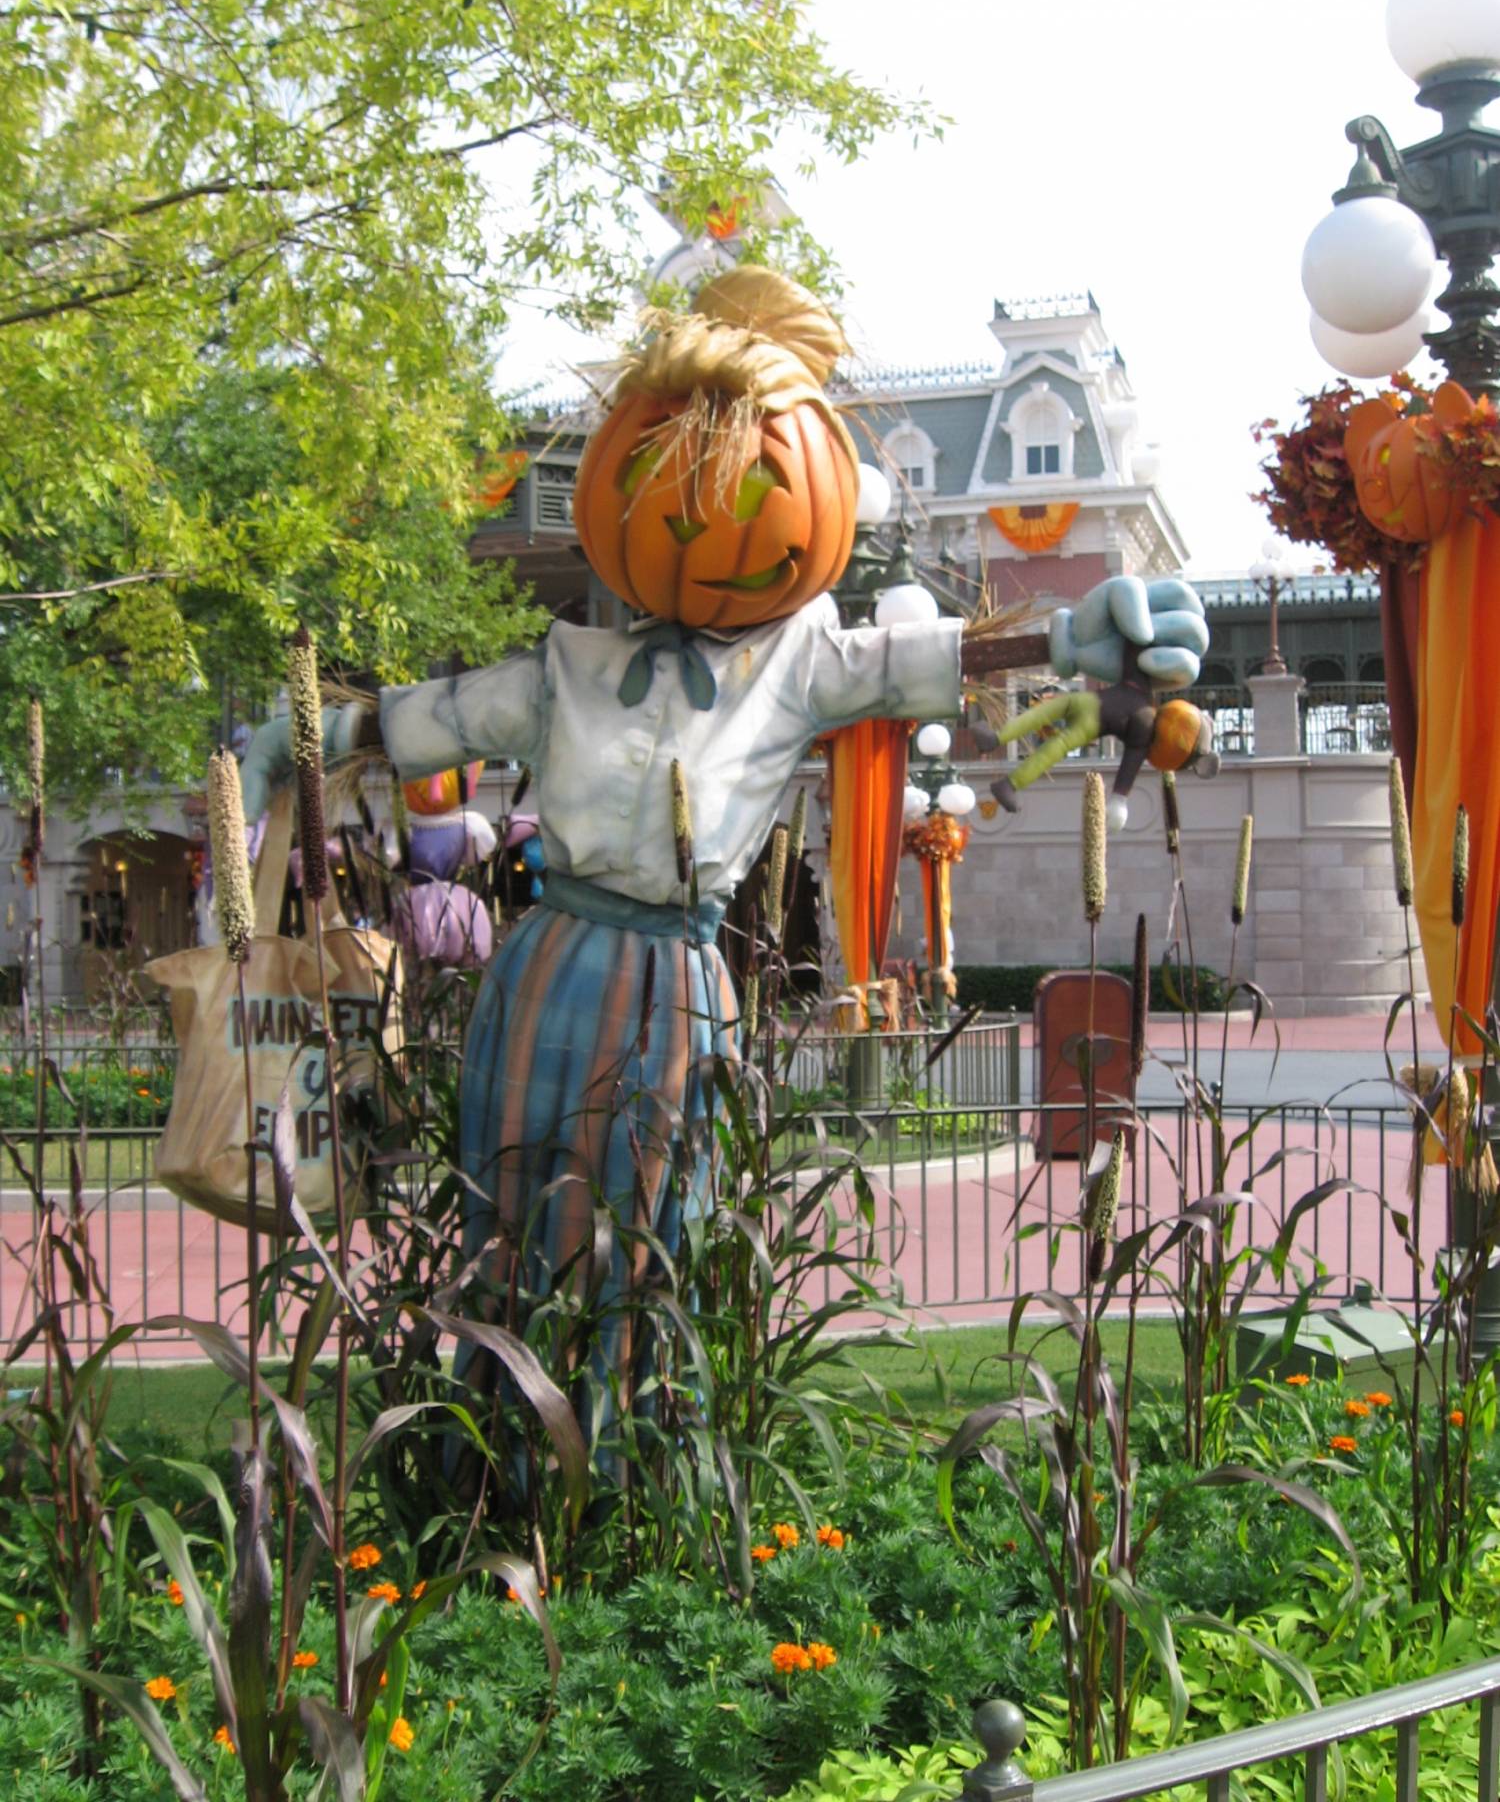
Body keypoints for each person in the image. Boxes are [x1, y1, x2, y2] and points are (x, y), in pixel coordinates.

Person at [238, 268, 1208, 1427]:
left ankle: (633, 1456)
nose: (702, 517)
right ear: (615, 484)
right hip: (549, 972)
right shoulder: (565, 667)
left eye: (748, 481)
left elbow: (935, 658)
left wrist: (1071, 630)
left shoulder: (802, 661)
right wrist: (303, 736)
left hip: (672, 991)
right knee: (517, 1212)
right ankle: (497, 1443)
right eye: (664, 477)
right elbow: (431, 717)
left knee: (648, 1229)